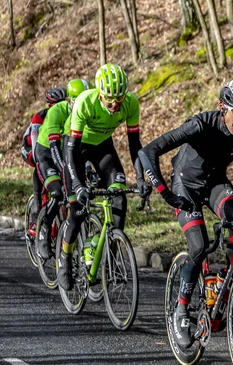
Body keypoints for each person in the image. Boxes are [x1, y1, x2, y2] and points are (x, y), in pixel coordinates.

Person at [138, 80, 233, 349]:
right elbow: (149, 151)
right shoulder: (201, 124)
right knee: (199, 246)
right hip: (185, 185)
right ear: (223, 108)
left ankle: (229, 278)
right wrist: (165, 192)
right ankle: (181, 311)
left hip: (215, 183)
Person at [58, 63, 149, 291]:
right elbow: (70, 152)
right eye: (109, 99)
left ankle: (109, 258)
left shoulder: (131, 103)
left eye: (119, 98)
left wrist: (140, 179)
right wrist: (77, 185)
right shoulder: (85, 102)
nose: (115, 104)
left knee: (119, 197)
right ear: (99, 93)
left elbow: (135, 145)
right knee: (77, 211)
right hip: (76, 148)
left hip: (103, 148)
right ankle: (64, 259)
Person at [34, 79, 90, 259]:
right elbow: (54, 148)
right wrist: (66, 172)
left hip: (66, 155)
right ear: (70, 100)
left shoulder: (85, 112)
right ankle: (43, 228)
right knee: (57, 193)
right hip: (47, 155)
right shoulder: (57, 112)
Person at [21, 87, 67, 233]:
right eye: (56, 104)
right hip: (31, 147)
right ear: (49, 105)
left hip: (53, 148)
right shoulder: (39, 117)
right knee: (38, 163)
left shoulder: (67, 115)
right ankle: (36, 206)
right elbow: (35, 148)